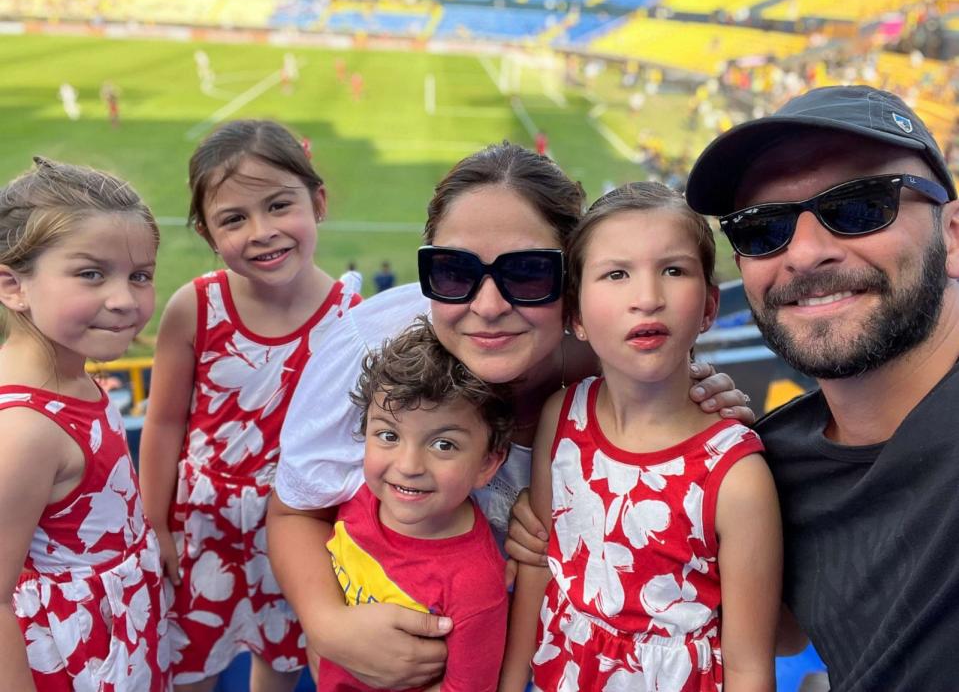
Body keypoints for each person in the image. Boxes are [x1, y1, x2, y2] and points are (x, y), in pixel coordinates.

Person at [512, 84, 959, 690]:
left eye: (860, 206)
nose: (805, 253)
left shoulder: (746, 468)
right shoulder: (782, 455)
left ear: (953, 232)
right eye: (763, 227)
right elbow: (776, 630)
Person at [266, 142, 754, 689]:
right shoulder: (372, 348)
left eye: (526, 273)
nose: (490, 305)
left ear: (573, 284)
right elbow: (293, 511)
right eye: (452, 271)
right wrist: (328, 624)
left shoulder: (626, 373)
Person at [499, 183, 781, 691]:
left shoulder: (738, 479)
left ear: (710, 306)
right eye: (616, 274)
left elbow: (749, 666)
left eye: (674, 271)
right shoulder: (561, 417)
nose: (648, 298)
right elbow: (541, 568)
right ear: (577, 316)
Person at [138, 120, 359, 691]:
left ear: (318, 202)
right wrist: (156, 524)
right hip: (199, 525)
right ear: (208, 234)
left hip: (295, 532)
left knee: (280, 664)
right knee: (188, 666)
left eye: (279, 205)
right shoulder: (196, 306)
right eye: (234, 218)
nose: (262, 232)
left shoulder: (348, 321)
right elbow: (162, 425)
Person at [0, 157, 170, 690]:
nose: (123, 301)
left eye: (139, 276)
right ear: (13, 286)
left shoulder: (74, 374)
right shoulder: (25, 431)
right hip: (78, 660)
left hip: (120, 629)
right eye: (90, 274)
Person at [320, 317, 511, 691]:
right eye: (389, 435)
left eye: (443, 444)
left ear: (487, 464)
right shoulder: (358, 498)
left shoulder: (474, 585)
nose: (407, 467)